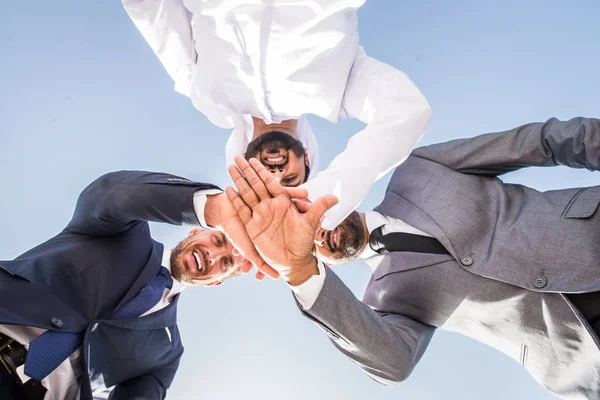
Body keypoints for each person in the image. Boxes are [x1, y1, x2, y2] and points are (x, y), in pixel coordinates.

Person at [226, 117, 600, 399]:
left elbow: (540, 142)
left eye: (302, 214)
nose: (314, 234)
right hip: (583, 350)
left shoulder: (419, 168)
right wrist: (298, 269)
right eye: (306, 243)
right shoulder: (383, 302)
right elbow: (394, 363)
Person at [121, 0, 432, 230]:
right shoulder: (339, 92)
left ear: (244, 170)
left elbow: (152, 10)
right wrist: (318, 203)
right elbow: (408, 110)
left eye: (266, 181)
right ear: (308, 158)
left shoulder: (206, 95)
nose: (276, 172)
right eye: (292, 179)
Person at [0, 170, 272, 400]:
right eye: (218, 240)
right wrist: (217, 210)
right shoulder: (122, 229)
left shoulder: (167, 354)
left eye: (224, 263)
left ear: (216, 282)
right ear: (195, 230)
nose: (211, 256)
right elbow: (111, 193)